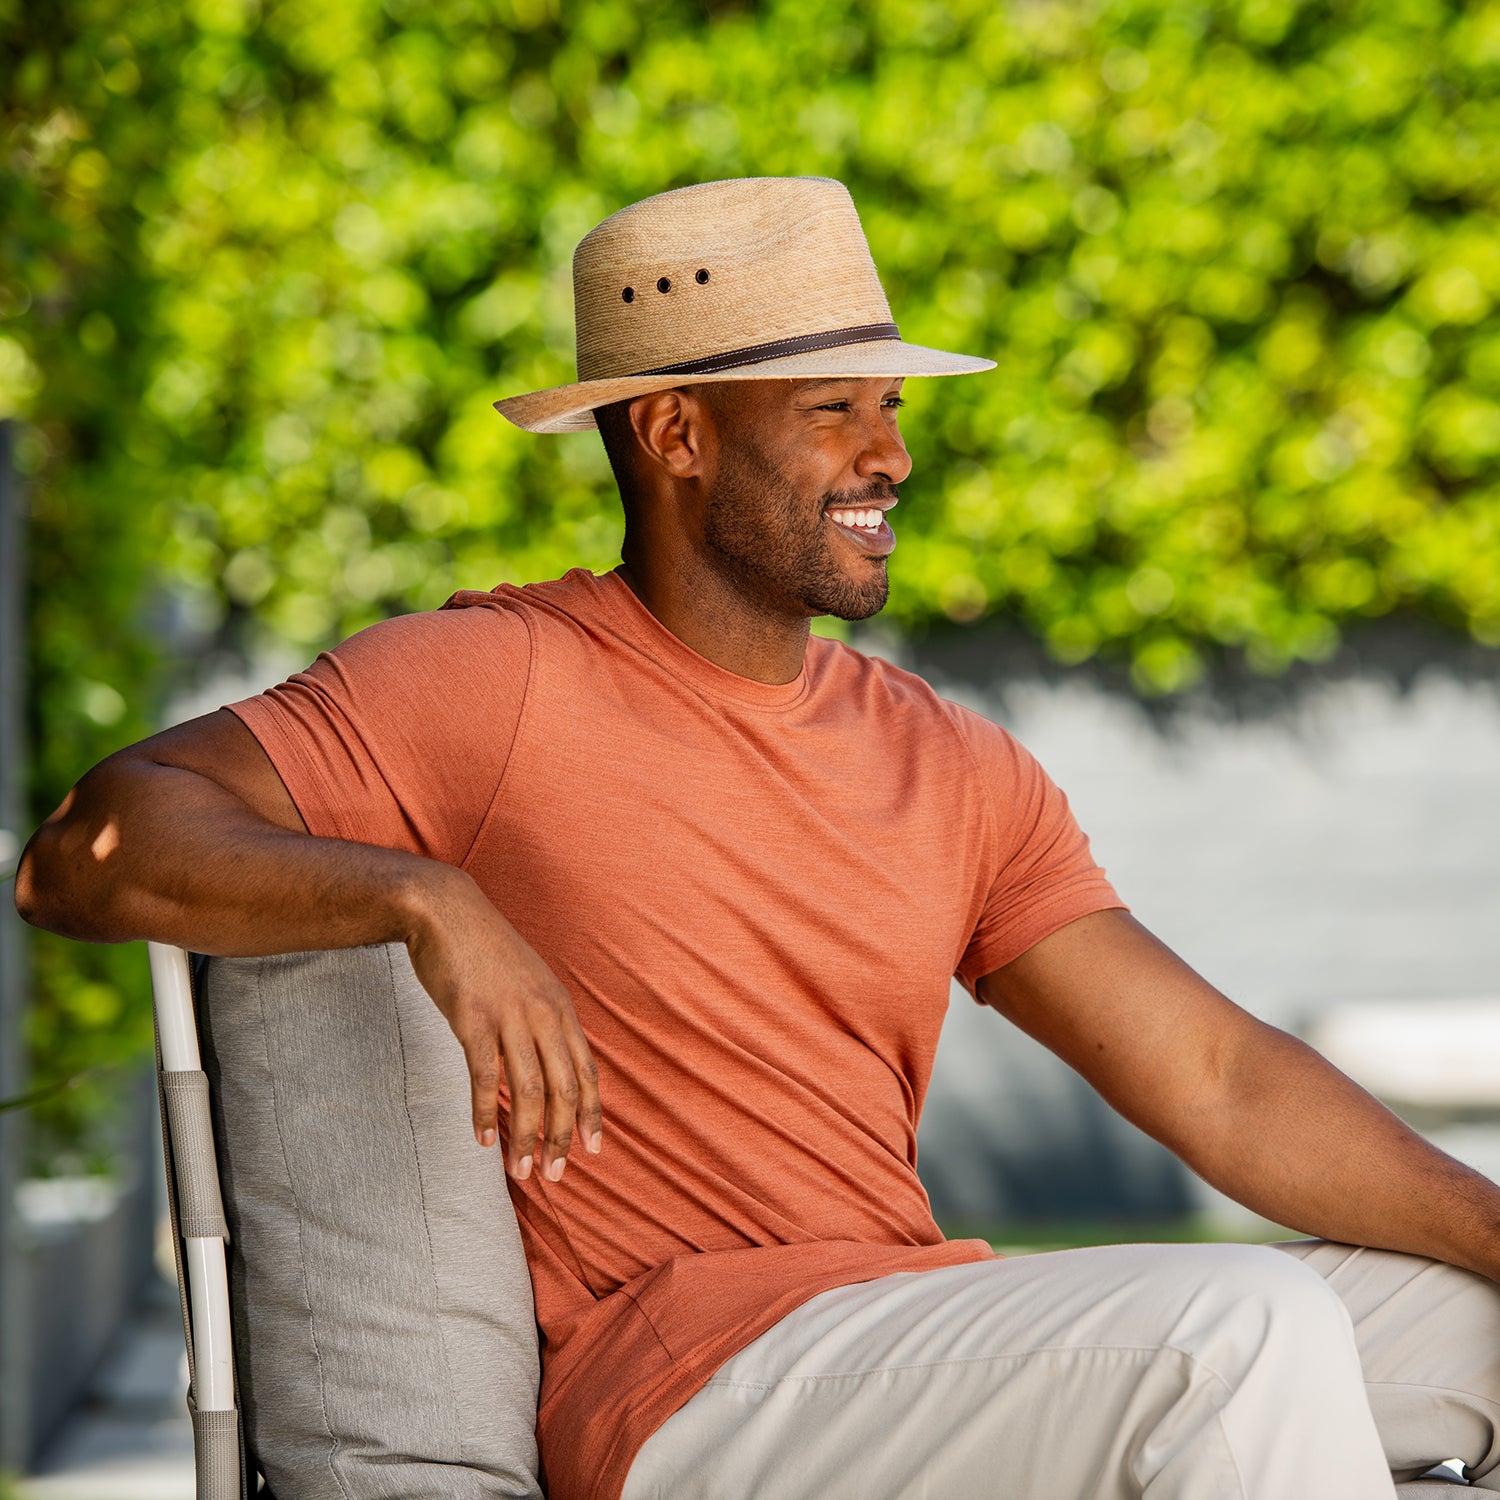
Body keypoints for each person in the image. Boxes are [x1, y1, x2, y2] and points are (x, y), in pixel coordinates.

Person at [15, 176, 1500, 1500]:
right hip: (689, 1389)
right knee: (1237, 1328)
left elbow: (1223, 1080)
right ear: (674, 433)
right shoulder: (492, 684)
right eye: (833, 410)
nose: (892, 457)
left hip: (909, 1335)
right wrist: (426, 898)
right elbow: (86, 848)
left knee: (1474, 1329)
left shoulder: (951, 761)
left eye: (894, 406)